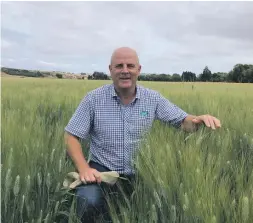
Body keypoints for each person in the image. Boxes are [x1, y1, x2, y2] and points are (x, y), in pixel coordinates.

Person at [64, 47, 221, 222]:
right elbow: (71, 135)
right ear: (110, 70)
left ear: (138, 70)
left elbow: (182, 121)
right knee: (87, 200)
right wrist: (84, 169)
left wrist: (198, 120)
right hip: (101, 170)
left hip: (141, 171)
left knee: (168, 202)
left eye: (130, 66)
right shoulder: (93, 99)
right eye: (119, 66)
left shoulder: (153, 99)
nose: (125, 71)